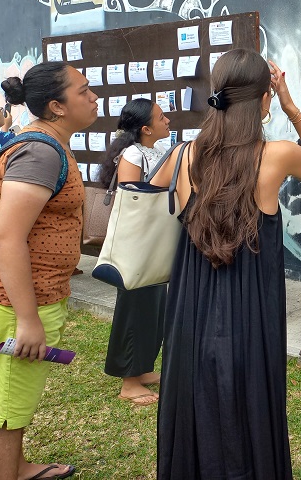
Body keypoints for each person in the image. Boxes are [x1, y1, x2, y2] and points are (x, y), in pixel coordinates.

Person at [153, 48, 301, 479]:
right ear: (264, 97)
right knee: (248, 401)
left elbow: (143, 191)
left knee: (193, 399)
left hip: (189, 308)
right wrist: (290, 106)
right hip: (249, 309)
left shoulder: (183, 154)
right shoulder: (276, 155)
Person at [0, 62, 97, 480]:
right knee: (3, 408)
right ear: (57, 106)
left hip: (27, 297)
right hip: (10, 302)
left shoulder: (45, 143)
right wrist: (27, 318)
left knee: (13, 401)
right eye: (84, 91)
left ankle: (16, 468)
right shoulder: (40, 151)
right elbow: (6, 237)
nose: (94, 98)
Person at [97, 98, 171, 406]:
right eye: (161, 117)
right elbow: (133, 201)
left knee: (154, 306)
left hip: (153, 241)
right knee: (134, 308)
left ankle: (141, 369)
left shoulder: (154, 150)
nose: (167, 120)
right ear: (146, 128)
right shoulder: (132, 153)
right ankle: (128, 382)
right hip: (137, 244)